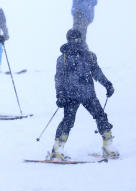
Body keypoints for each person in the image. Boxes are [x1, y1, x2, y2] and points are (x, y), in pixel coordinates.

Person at [47, 29, 117, 160]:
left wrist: (107, 84)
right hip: (71, 95)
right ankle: (57, 150)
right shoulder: (63, 59)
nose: (75, 41)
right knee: (69, 121)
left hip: (87, 94)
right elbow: (59, 78)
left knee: (100, 116)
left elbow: (97, 73)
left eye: (77, 39)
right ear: (68, 40)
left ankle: (108, 146)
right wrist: (60, 95)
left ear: (81, 39)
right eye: (72, 39)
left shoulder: (89, 56)